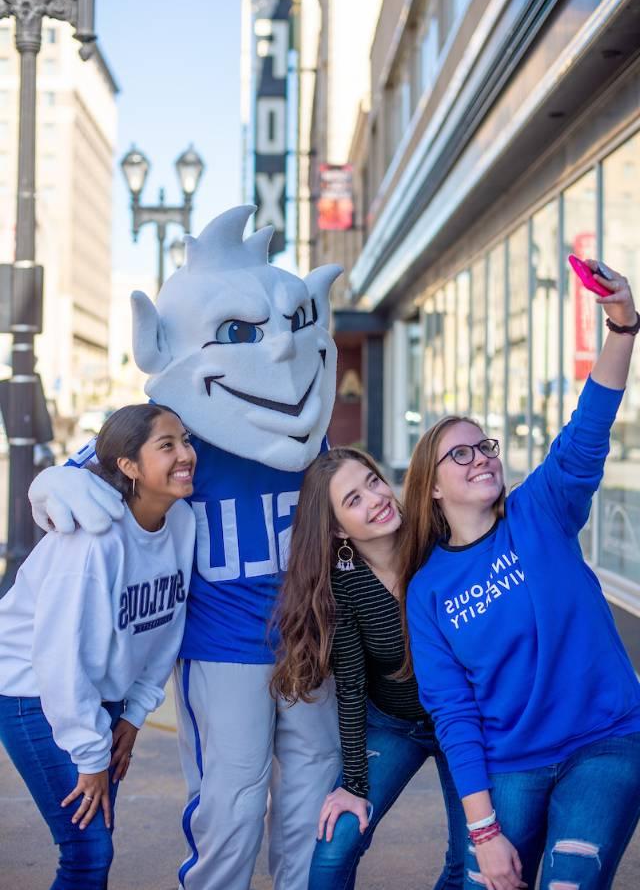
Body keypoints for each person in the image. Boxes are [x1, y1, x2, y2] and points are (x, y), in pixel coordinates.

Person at [27, 206, 343, 890]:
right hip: (223, 645)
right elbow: (91, 466)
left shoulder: (311, 435)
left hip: (309, 640)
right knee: (231, 805)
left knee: (312, 800)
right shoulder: (180, 438)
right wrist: (54, 482)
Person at [402, 261, 640, 890]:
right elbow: (452, 712)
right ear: (430, 486)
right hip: (511, 764)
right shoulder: (428, 591)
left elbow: (588, 428)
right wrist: (483, 832)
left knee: (570, 880)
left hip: (605, 741)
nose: (481, 456)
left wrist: (623, 325)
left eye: (486, 446)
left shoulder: (541, 511)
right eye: (461, 452)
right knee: (487, 881)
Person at [0, 403, 196, 890]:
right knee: (87, 851)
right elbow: (61, 659)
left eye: (185, 441)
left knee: (95, 842)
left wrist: (133, 713)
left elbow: (163, 627)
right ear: (129, 466)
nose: (185, 455)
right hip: (33, 692)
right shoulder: (93, 542)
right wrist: (90, 755)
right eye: (166, 446)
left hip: (94, 694)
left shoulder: (183, 522)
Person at [272, 446, 466, 890]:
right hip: (394, 723)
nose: (376, 498)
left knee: (470, 862)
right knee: (334, 849)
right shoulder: (344, 585)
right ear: (339, 528)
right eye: (353, 500)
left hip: (463, 722)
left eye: (373, 482)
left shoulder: (436, 544)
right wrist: (354, 786)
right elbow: (352, 687)